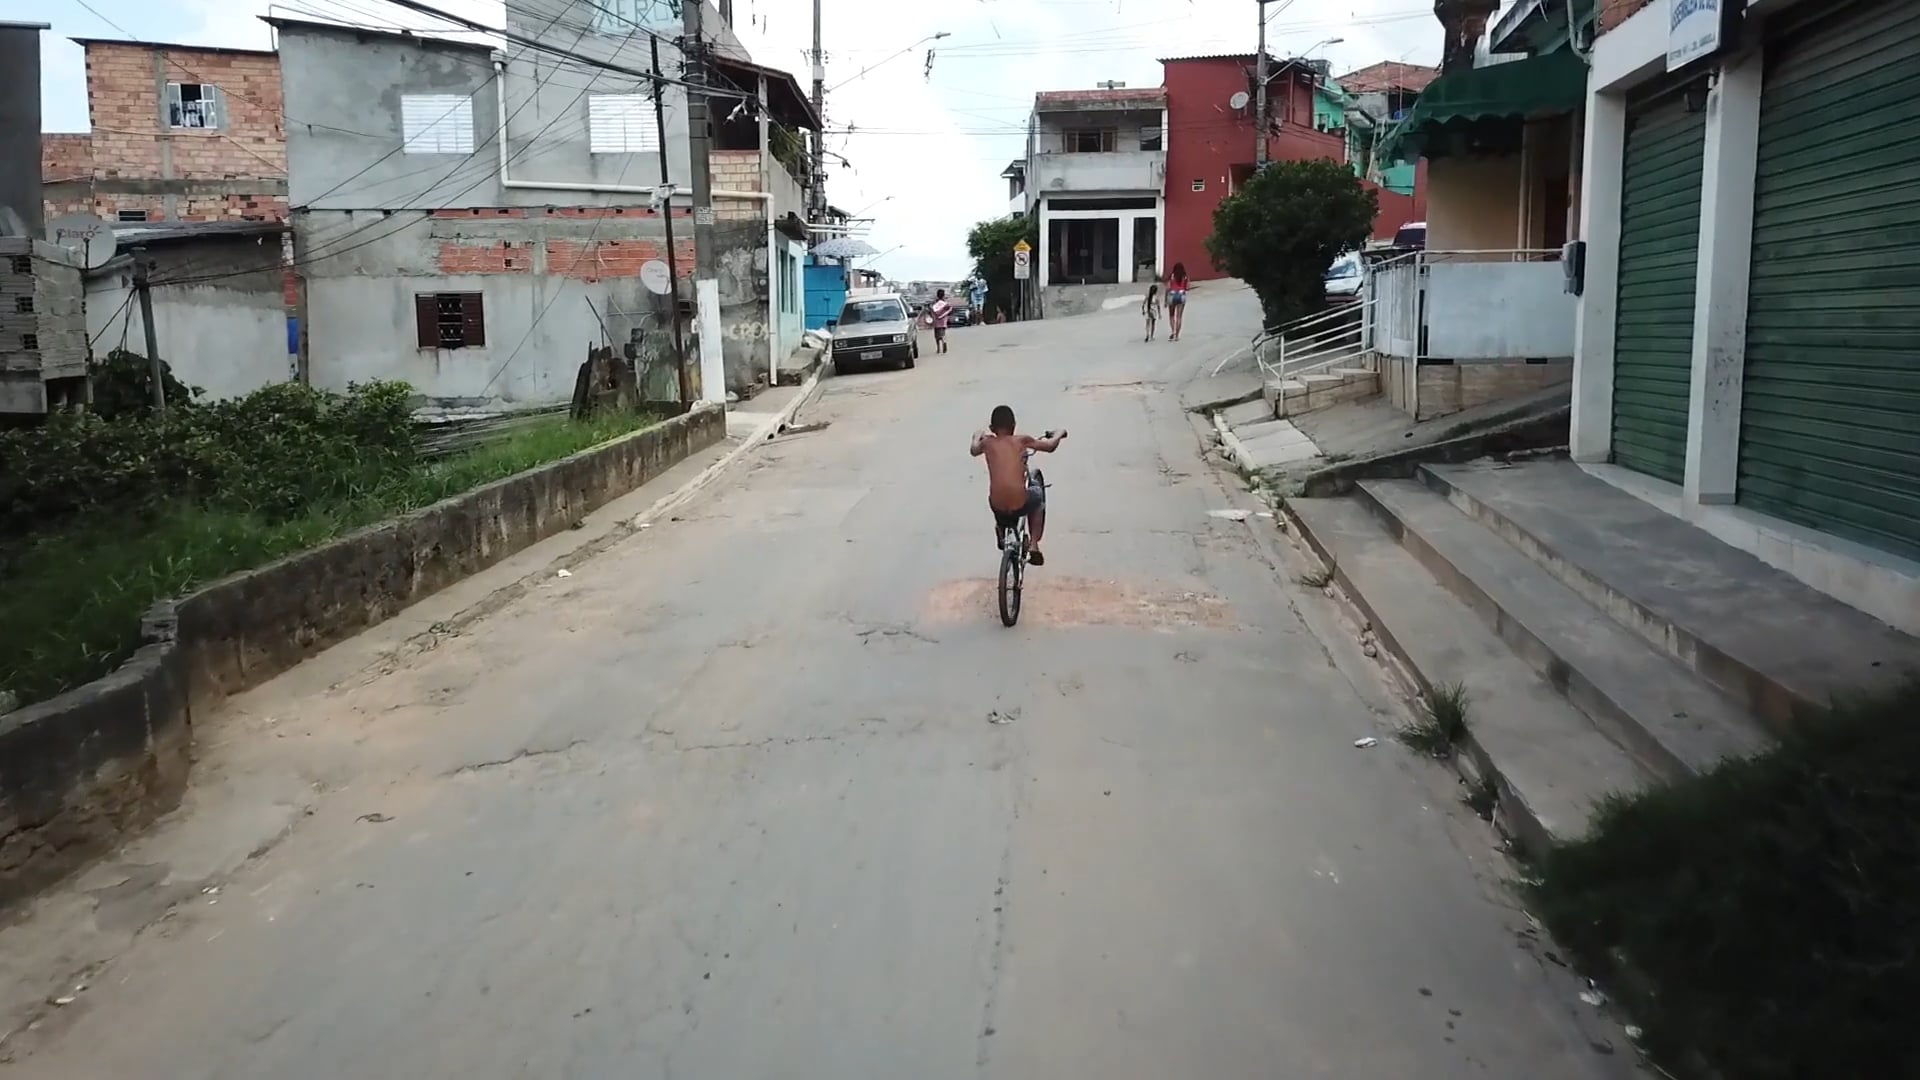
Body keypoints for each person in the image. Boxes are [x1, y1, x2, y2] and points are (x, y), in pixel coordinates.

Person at [970, 405, 1066, 566]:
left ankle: (1002, 530)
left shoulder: (987, 443)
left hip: (997, 506)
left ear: (991, 428)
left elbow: (973, 449)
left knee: (996, 497)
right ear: (1014, 426)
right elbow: (1050, 446)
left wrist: (977, 435)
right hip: (1019, 502)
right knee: (1037, 493)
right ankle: (1034, 545)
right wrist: (1059, 433)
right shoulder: (1021, 440)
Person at [1165, 262, 1190, 342]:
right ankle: (1177, 336)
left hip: (1172, 295)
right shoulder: (1185, 276)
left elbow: (1168, 288)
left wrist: (1166, 300)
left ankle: (1173, 331)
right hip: (1181, 295)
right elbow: (1187, 288)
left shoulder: (1172, 276)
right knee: (1179, 316)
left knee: (1171, 315)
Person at [930, 289, 954, 354]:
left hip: (936, 321)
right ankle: (944, 342)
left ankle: (938, 348)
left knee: (936, 335)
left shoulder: (934, 303)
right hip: (943, 321)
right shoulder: (945, 303)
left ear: (937, 295)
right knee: (943, 334)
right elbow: (949, 311)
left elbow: (932, 311)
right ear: (943, 295)